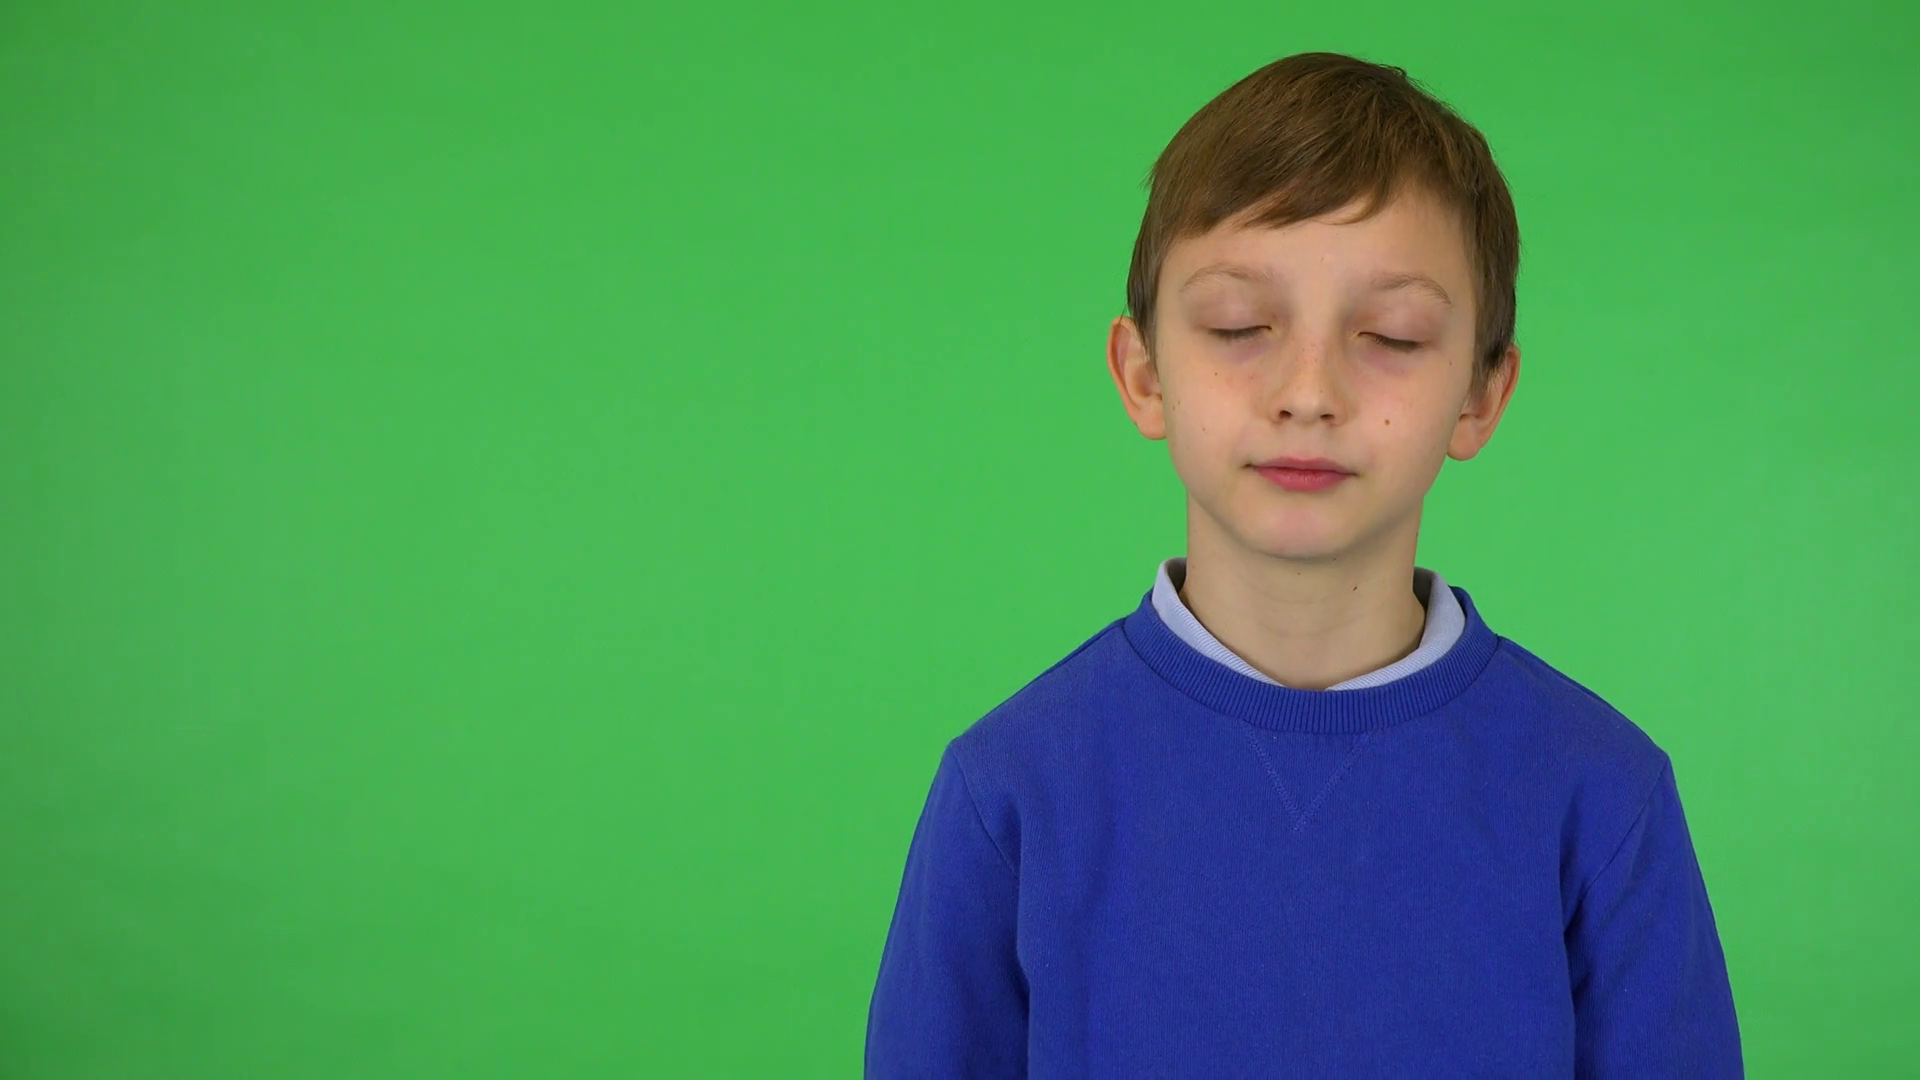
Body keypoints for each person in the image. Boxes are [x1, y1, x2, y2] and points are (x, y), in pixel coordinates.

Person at [864, 50, 1742, 1077]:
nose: (1308, 390)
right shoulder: (1009, 789)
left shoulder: (1602, 795)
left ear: (1480, 396)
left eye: (1390, 334)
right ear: (1143, 375)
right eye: (1240, 325)